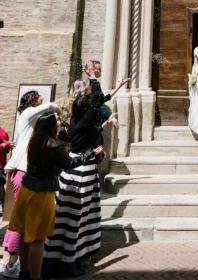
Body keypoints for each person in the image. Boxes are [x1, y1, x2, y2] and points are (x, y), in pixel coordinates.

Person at [43, 69, 129, 276]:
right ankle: (71, 260)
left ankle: (58, 255)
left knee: (66, 214)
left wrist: (114, 88)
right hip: (83, 171)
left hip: (70, 171)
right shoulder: (84, 120)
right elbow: (98, 100)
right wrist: (94, 78)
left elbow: (98, 105)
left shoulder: (76, 122)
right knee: (79, 215)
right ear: (88, 109)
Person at [8, 112, 99, 280]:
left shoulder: (34, 140)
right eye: (57, 119)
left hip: (27, 190)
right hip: (41, 195)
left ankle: (24, 272)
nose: (60, 121)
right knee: (38, 238)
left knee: (24, 233)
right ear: (50, 125)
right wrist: (90, 154)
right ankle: (35, 276)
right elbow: (70, 163)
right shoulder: (54, 145)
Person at [2, 91, 59, 280]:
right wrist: (60, 107)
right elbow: (51, 106)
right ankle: (11, 262)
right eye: (39, 99)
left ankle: (15, 262)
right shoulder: (27, 113)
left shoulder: (29, 119)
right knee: (21, 221)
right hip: (23, 171)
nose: (41, 102)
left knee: (22, 219)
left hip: (22, 171)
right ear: (33, 101)